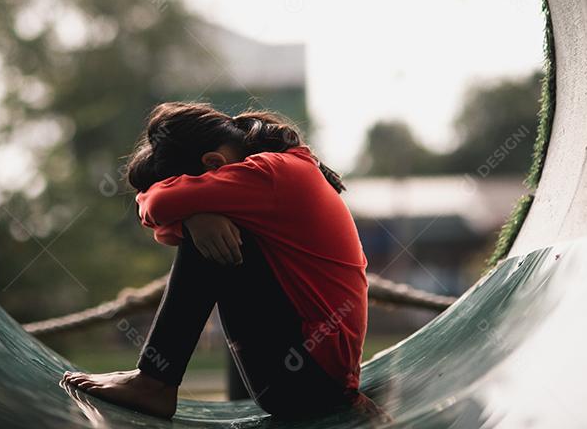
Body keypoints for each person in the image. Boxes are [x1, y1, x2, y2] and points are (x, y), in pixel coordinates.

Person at [61, 102, 369, 419]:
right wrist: (194, 218)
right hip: (309, 375)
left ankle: (155, 381)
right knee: (212, 229)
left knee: (212, 237)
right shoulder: (279, 167)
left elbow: (160, 202)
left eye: (197, 185)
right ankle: (154, 381)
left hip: (307, 381)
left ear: (212, 164)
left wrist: (193, 218)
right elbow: (160, 214)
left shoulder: (270, 173)